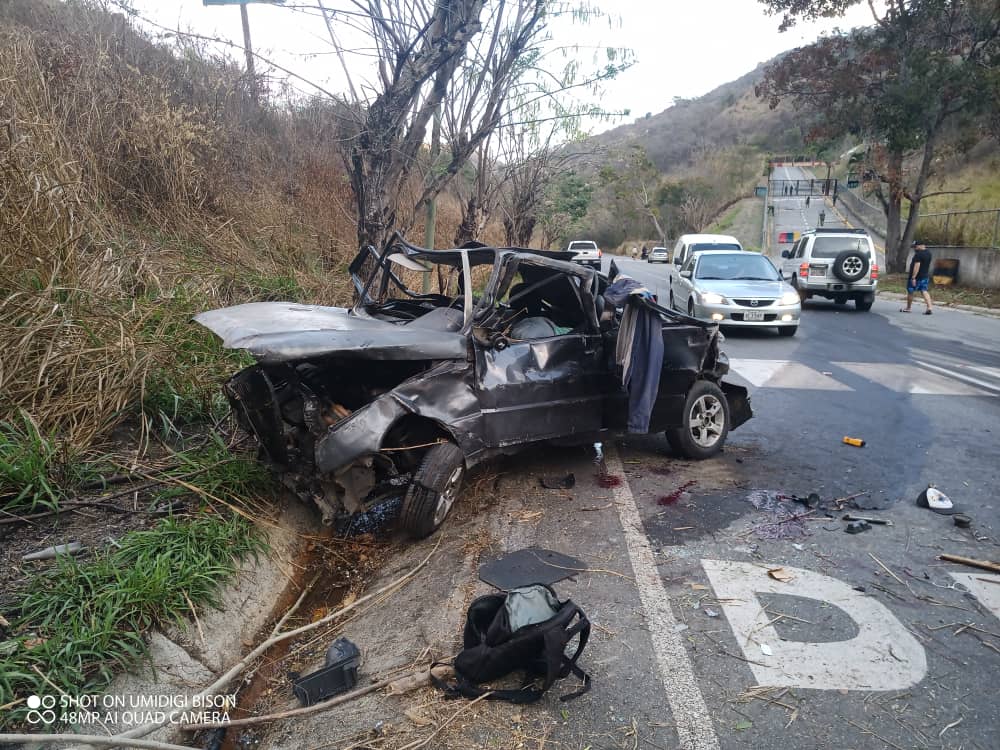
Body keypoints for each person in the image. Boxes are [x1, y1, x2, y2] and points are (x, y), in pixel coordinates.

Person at [902, 239, 934, 315]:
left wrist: (913, 278)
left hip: (917, 278)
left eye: (915, 247)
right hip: (925, 276)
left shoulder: (918, 254)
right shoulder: (928, 253)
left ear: (920, 245)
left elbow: (917, 266)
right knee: (924, 291)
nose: (914, 248)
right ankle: (929, 307)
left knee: (910, 291)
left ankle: (908, 308)